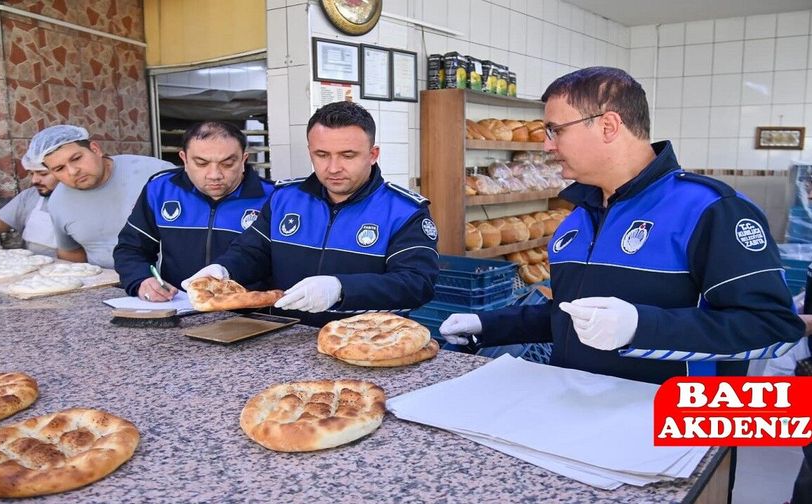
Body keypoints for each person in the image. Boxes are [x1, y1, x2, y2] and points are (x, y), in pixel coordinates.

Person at [440, 66, 804, 384]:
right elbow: (569, 315)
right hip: (573, 406)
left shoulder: (710, 210)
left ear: (609, 125)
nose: (547, 146)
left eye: (555, 130)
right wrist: (487, 325)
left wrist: (640, 327)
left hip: (668, 428)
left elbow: (772, 330)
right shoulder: (579, 218)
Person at [182, 101, 439, 327]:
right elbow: (252, 251)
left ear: (372, 155)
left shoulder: (405, 210)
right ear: (310, 152)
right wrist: (223, 270)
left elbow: (416, 284)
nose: (333, 168)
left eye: (347, 155)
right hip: (284, 336)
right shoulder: (285, 197)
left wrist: (341, 289)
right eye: (322, 155)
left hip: (366, 342)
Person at [113, 121, 274, 301]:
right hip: (178, 306)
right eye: (201, 163)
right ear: (184, 159)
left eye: (227, 163)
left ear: (243, 160)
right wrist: (141, 279)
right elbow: (131, 248)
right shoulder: (161, 189)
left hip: (250, 313)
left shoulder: (273, 198)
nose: (214, 175)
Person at [22, 125, 174, 268]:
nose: (73, 171)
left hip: (176, 286)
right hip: (108, 288)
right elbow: (71, 253)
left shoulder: (157, 174)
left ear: (95, 149)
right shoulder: (58, 202)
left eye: (76, 158)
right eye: (59, 168)